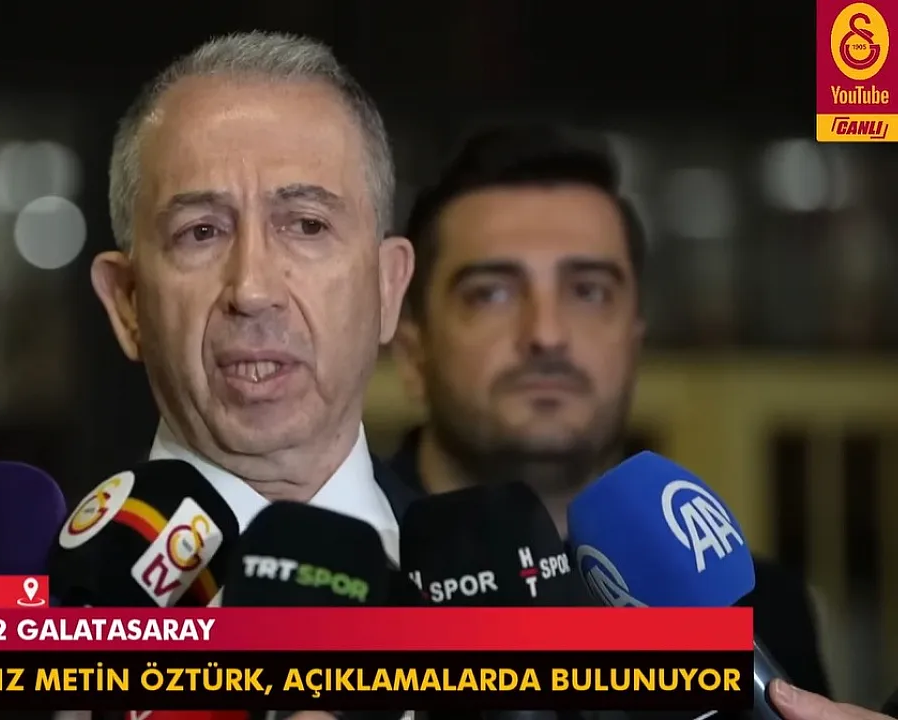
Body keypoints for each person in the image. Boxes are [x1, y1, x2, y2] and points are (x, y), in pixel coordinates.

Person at [388, 125, 833, 696]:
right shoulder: (335, 590)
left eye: (589, 291)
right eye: (492, 293)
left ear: (634, 341)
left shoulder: (761, 609)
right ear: (412, 352)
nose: (547, 334)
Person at [90, 31, 416, 559]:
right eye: (201, 232)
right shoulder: (21, 596)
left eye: (307, 226)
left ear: (387, 286)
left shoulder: (485, 591)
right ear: (127, 303)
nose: (252, 291)